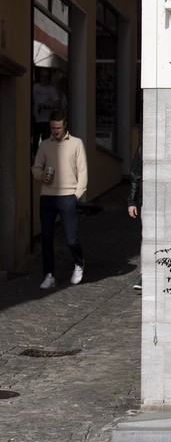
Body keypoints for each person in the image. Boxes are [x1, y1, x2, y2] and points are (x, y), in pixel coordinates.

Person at [31, 109, 87, 289]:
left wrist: (76, 196)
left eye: (58, 128)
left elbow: (83, 172)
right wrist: (41, 176)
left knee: (71, 239)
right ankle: (49, 275)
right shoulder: (44, 145)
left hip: (68, 196)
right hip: (47, 197)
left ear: (65, 125)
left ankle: (79, 263)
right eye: (53, 128)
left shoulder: (77, 143)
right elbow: (36, 168)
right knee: (47, 238)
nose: (55, 131)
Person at [32, 68, 60, 157]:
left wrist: (46, 105)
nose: (43, 79)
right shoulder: (34, 87)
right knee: (34, 140)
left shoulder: (51, 90)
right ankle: (35, 157)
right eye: (42, 76)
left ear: (48, 78)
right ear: (39, 77)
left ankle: (44, 158)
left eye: (46, 77)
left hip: (46, 119)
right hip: (35, 118)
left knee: (45, 140)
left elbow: (57, 103)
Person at [127, 141, 143, 291]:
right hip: (147, 200)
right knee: (147, 238)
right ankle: (145, 275)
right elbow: (136, 174)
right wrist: (131, 201)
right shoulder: (143, 147)